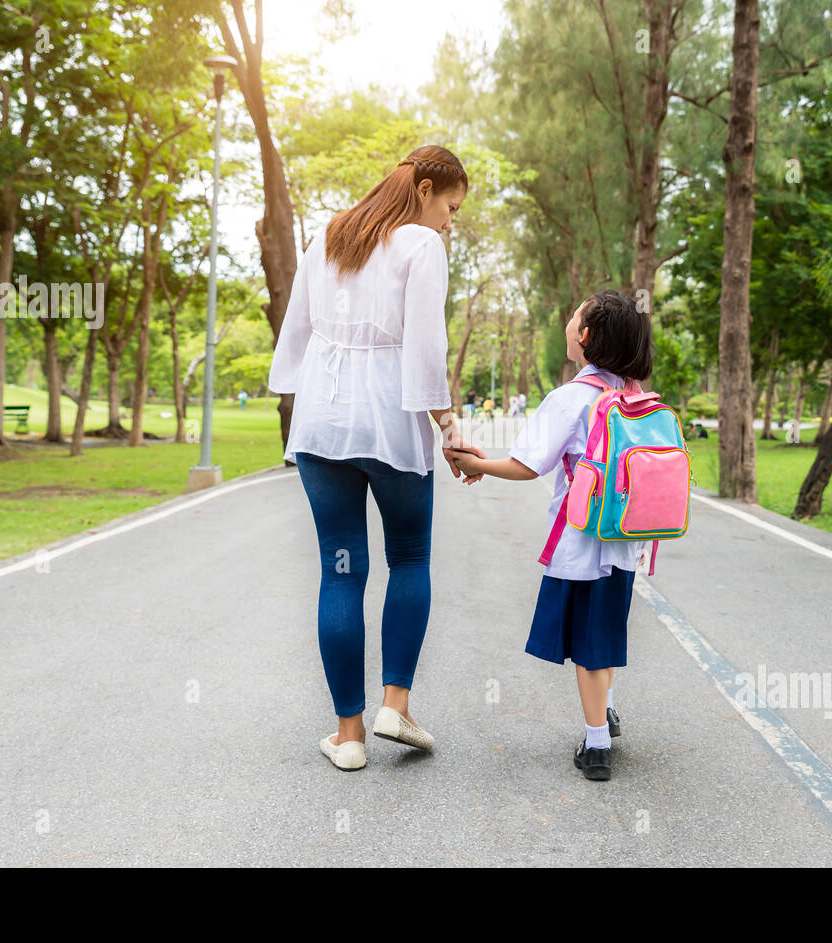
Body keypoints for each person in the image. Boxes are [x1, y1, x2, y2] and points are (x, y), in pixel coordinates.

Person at [267, 145, 483, 772]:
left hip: (323, 422)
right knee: (409, 556)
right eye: (450, 206)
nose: (450, 221)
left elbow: (298, 329)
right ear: (422, 188)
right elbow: (423, 344)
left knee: (341, 571)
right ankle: (396, 704)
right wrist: (445, 421)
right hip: (389, 419)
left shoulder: (331, 233)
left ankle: (350, 735)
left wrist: (295, 389)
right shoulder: (421, 247)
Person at [449, 290, 652, 781]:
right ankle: (606, 711)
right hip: (625, 542)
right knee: (603, 632)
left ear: (584, 336)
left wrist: (476, 465)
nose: (568, 321)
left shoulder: (571, 399)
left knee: (587, 645)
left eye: (573, 315)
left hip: (581, 543)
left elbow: (527, 465)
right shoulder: (634, 397)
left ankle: (597, 744)